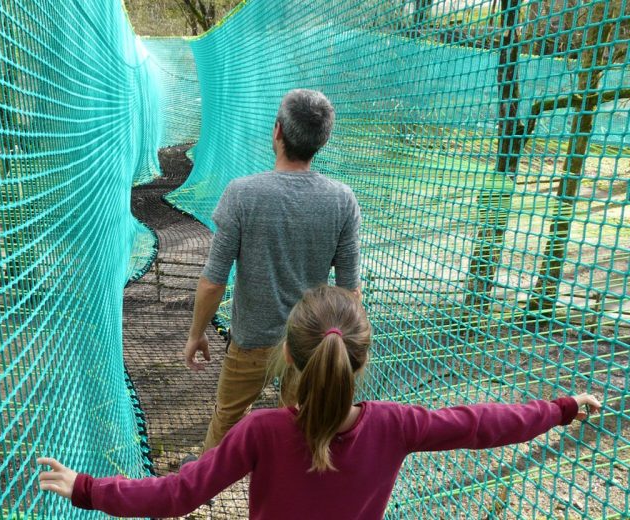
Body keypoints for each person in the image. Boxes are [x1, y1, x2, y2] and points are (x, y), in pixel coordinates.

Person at [38, 286, 602, 520]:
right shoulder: (397, 425)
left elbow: (178, 494)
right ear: (361, 359)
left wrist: (88, 488)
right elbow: (484, 423)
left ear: (288, 355)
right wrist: (561, 407)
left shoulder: (260, 431)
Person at [183, 89, 363, 451]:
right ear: (322, 141)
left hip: (249, 341)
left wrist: (196, 334)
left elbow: (213, 281)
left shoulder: (242, 194)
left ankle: (202, 487)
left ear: (277, 131)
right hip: (311, 345)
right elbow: (350, 293)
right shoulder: (342, 200)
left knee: (227, 424)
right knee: (300, 428)